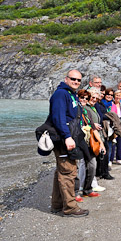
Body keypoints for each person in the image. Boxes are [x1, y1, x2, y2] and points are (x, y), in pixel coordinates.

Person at [46, 69, 89, 217]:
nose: (76, 82)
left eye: (78, 80)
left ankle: (57, 205)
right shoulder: (61, 94)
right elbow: (58, 118)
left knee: (62, 170)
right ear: (66, 79)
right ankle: (70, 208)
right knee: (68, 172)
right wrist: (66, 137)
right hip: (63, 139)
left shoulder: (71, 94)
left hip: (69, 137)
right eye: (73, 79)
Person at [110, 90, 121, 164]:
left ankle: (119, 158)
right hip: (113, 124)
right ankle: (110, 159)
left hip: (120, 123)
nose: (118, 97)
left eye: (119, 96)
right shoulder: (111, 104)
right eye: (117, 95)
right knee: (113, 141)